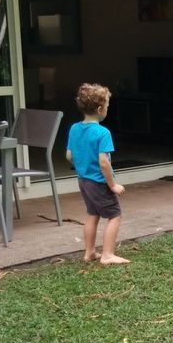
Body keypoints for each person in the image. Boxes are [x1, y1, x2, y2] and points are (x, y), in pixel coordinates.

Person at [66, 83, 129, 265]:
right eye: (107, 106)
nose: (107, 109)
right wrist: (113, 185)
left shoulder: (74, 129)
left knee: (93, 214)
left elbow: (69, 156)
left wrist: (83, 164)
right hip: (99, 182)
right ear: (100, 109)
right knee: (114, 216)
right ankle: (108, 254)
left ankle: (89, 253)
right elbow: (104, 162)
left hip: (83, 180)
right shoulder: (103, 133)